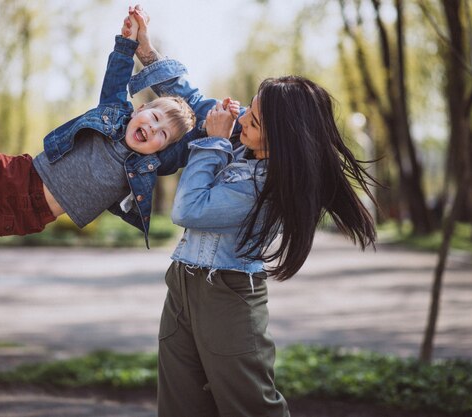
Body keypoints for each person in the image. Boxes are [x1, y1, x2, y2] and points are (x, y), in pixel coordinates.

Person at [125, 5, 377, 416]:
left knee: (249, 407)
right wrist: (148, 52)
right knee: (179, 406)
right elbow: (189, 99)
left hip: (228, 296)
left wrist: (213, 143)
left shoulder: (266, 187)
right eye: (249, 111)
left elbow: (190, 208)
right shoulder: (244, 136)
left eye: (254, 120)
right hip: (182, 285)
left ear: (281, 139)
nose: (242, 121)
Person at [0, 17, 195, 246]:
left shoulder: (145, 166)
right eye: (153, 117)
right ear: (140, 109)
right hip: (20, 174)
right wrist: (127, 43)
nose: (153, 129)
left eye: (162, 135)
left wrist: (222, 131)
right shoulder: (115, 114)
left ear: (160, 150)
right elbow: (115, 76)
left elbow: (187, 149)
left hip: (27, 216)